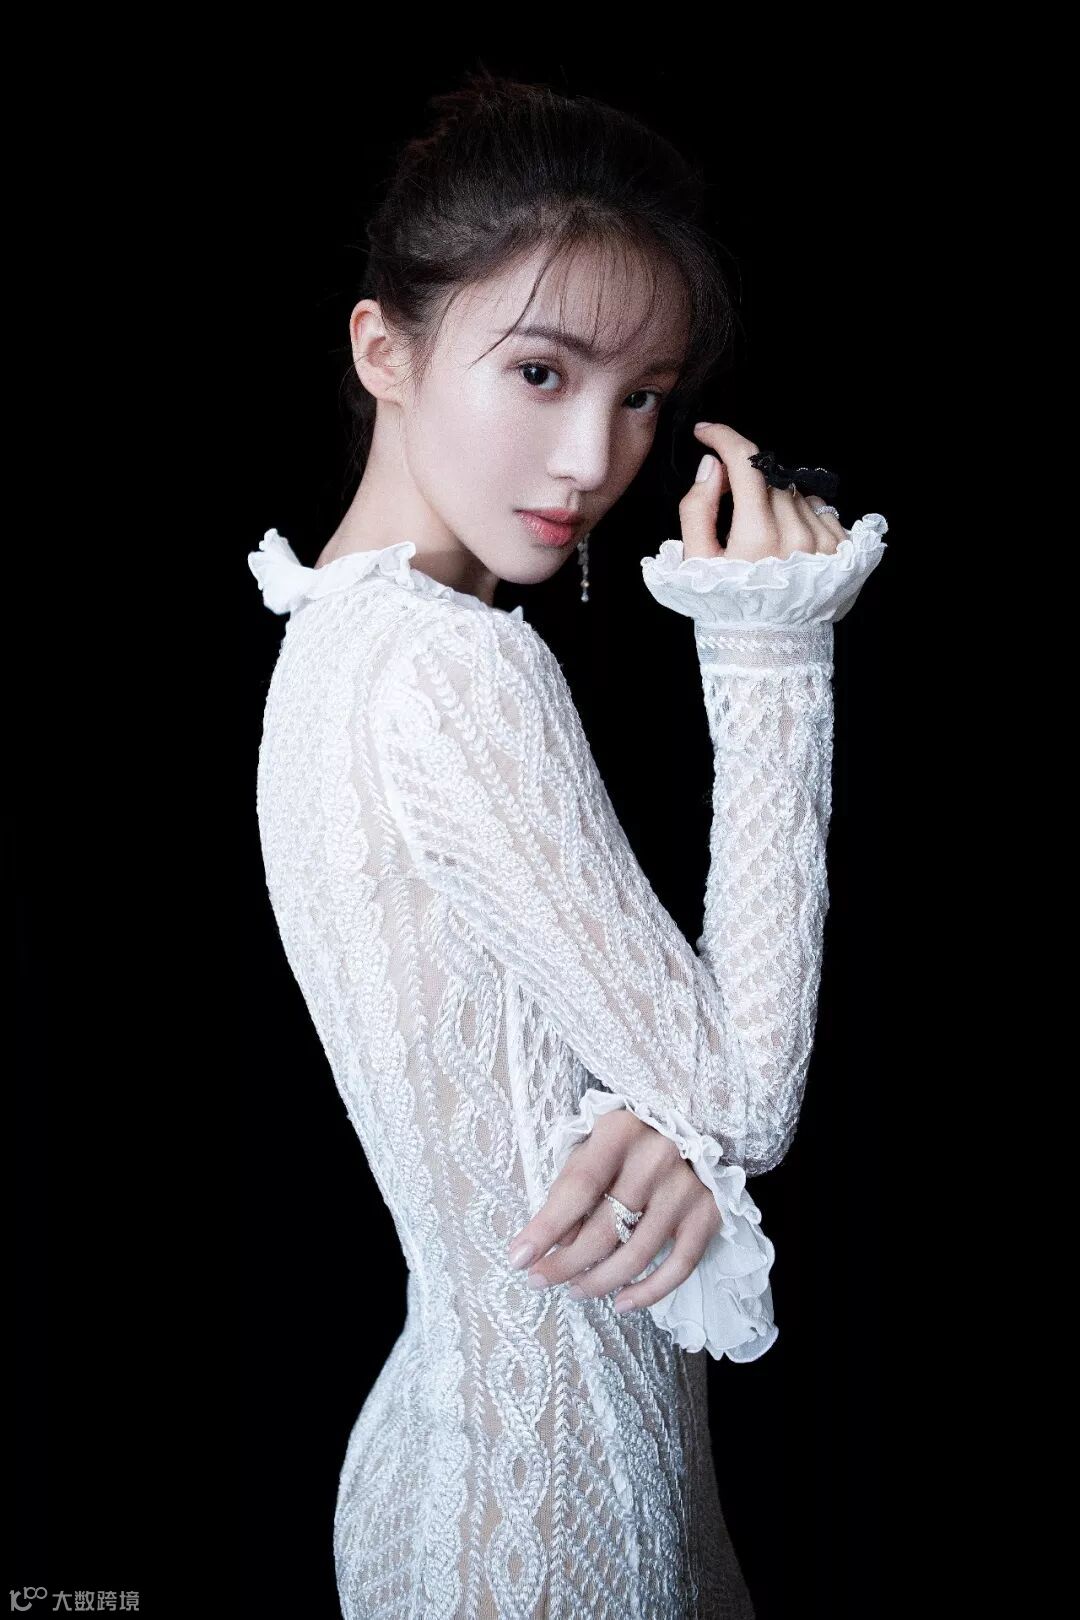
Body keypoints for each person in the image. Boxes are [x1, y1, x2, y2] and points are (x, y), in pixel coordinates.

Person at [247, 68, 887, 1620]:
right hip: (545, 1506)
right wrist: (771, 648)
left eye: (646, 393)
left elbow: (602, 1095)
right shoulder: (456, 668)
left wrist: (671, 1124)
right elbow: (746, 1095)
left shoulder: (331, 642)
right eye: (541, 371)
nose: (597, 457)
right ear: (384, 350)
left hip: (468, 1464)